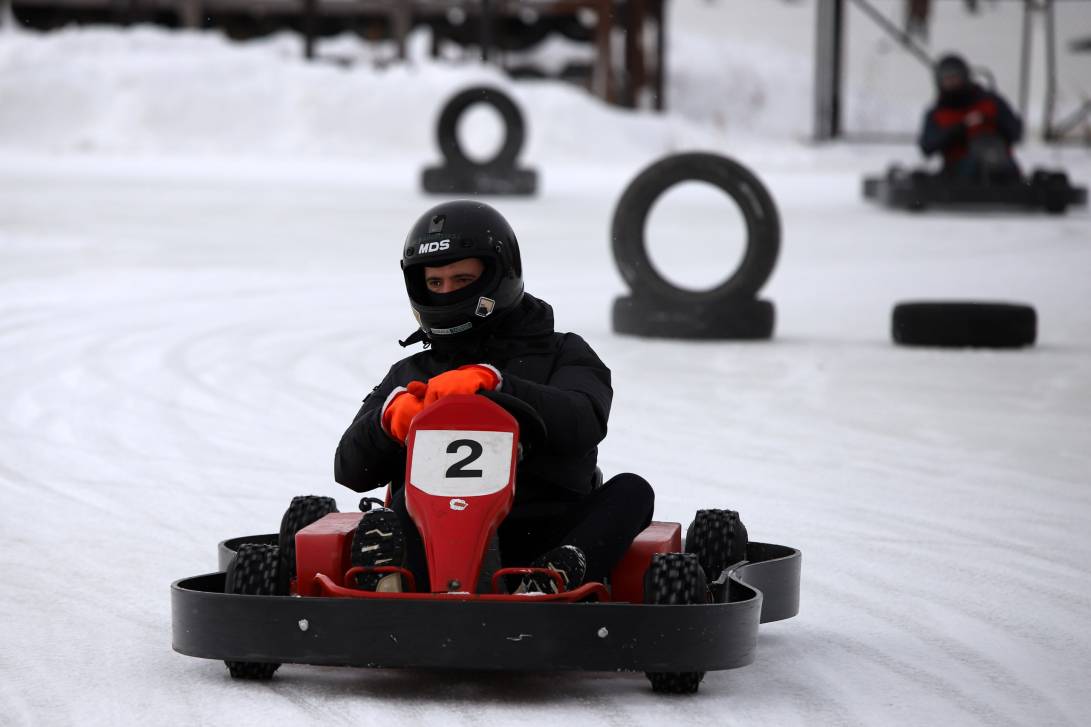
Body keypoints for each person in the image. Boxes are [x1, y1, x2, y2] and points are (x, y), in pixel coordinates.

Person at [334, 200, 655, 594]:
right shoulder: (411, 375)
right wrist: (388, 423)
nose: (447, 292)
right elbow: (350, 470)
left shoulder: (564, 353)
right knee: (399, 507)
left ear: (499, 275)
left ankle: (549, 579)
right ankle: (388, 582)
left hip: (544, 530)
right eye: (435, 283)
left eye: (462, 279)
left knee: (633, 492)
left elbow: (583, 420)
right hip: (435, 538)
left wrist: (498, 385)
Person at [918, 53, 1023, 181]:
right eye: (947, 79)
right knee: (970, 166)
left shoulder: (991, 103)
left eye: (955, 77)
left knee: (994, 159)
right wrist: (959, 129)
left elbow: (1015, 132)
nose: (952, 83)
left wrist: (989, 122)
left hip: (1000, 163)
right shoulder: (937, 113)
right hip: (959, 171)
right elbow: (927, 146)